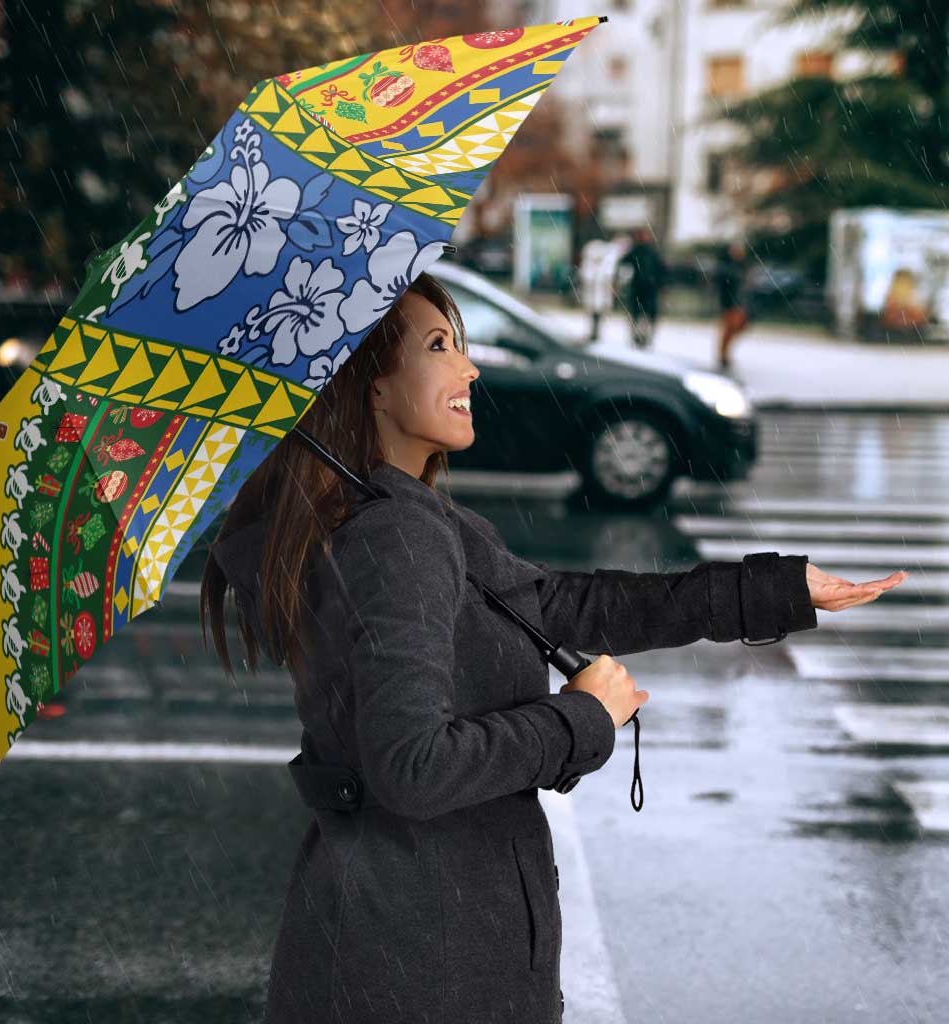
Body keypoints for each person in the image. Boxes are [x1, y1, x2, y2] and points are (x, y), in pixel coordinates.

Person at [201, 270, 906, 1024]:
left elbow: (567, 604)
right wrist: (580, 719)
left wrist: (774, 590)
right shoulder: (394, 536)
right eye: (439, 346)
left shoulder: (406, 519)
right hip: (422, 962)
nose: (469, 367)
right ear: (371, 386)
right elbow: (412, 768)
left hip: (405, 942)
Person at [617, 226, 667, 349]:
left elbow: (661, 270)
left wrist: (660, 284)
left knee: (645, 315)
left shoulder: (650, 252)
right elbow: (623, 264)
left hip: (648, 288)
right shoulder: (637, 251)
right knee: (638, 314)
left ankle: (644, 337)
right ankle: (638, 337)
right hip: (640, 288)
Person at [715, 239, 751, 371]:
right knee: (729, 329)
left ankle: (725, 354)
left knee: (737, 328)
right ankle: (723, 355)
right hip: (730, 303)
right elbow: (724, 286)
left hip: (739, 303)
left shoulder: (742, 266)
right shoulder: (727, 267)